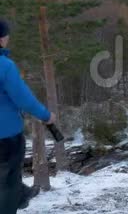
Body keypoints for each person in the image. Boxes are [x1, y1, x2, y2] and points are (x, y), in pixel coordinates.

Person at [0, 20, 56, 213]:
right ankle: (18, 196)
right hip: (6, 139)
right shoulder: (4, 66)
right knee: (7, 184)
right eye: (6, 35)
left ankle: (21, 194)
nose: (8, 38)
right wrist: (46, 115)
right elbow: (24, 99)